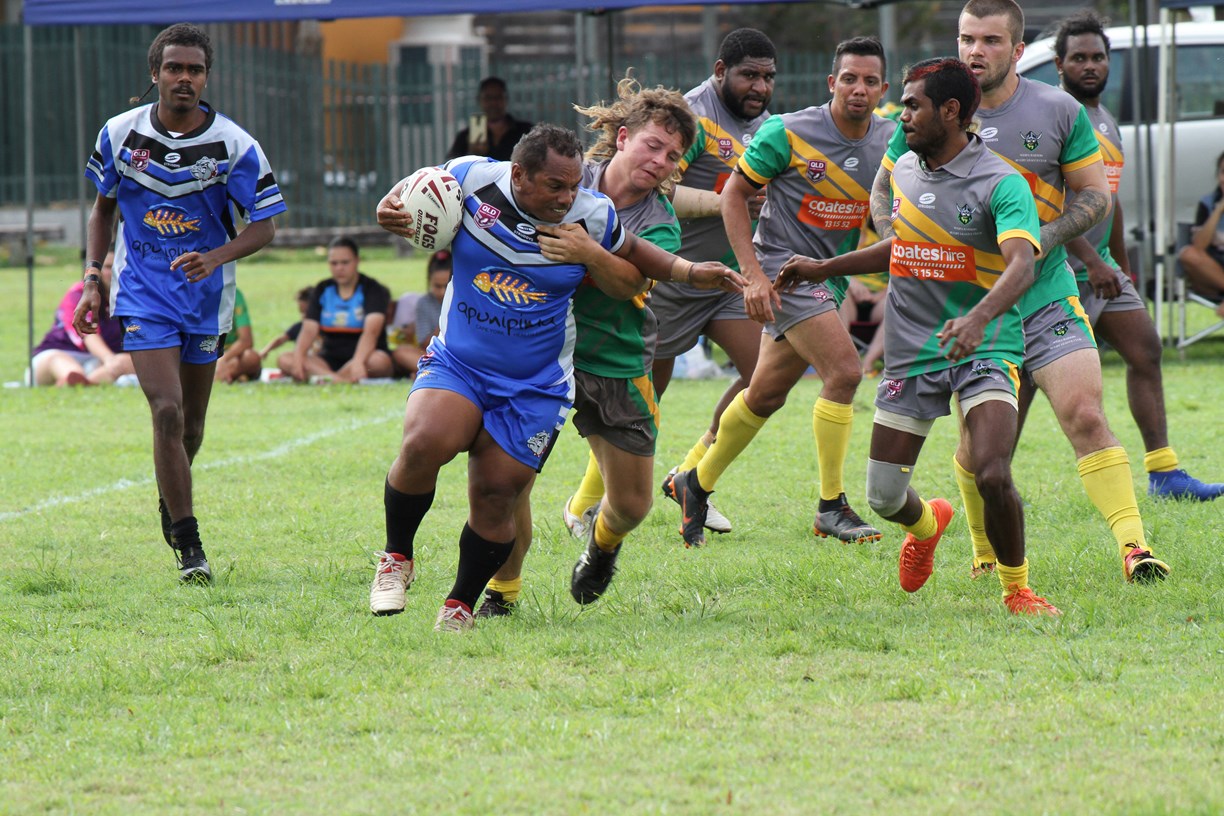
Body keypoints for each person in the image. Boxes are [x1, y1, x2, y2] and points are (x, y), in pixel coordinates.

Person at [369, 124, 742, 632]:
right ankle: (396, 559)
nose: (568, 198)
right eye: (555, 187)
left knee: (499, 491)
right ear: (519, 174)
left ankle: (459, 604)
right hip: (462, 360)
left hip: (537, 382)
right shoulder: (470, 178)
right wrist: (389, 212)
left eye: (572, 188)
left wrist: (692, 272)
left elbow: (635, 259)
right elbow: (407, 197)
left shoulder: (593, 213)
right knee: (424, 441)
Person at [870, 0, 1167, 585]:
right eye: (966, 38)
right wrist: (901, 243)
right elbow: (883, 190)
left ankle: (1135, 547)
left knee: (1083, 413)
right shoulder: (932, 108)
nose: (975, 51)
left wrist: (1036, 240)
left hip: (1044, 293)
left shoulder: (1056, 110)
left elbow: (1092, 196)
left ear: (1018, 48)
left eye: (990, 40)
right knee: (977, 450)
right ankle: (984, 552)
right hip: (962, 307)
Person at [778, 56, 1058, 615]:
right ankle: (927, 526)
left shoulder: (1001, 181)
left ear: (950, 111)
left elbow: (1021, 264)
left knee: (992, 470)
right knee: (883, 495)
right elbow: (903, 245)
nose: (899, 113)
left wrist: (977, 319)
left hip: (987, 344)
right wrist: (822, 267)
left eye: (912, 104)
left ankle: (1017, 590)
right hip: (911, 351)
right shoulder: (905, 168)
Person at [474, 76, 699, 617]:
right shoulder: (568, 178)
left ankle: (602, 544)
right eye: (653, 145)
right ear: (622, 137)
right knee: (510, 483)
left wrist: (586, 252)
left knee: (633, 504)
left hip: (615, 359)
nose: (661, 161)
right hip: (534, 354)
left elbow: (629, 284)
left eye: (673, 156)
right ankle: (502, 594)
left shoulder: (661, 225)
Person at [75, 22, 285, 583]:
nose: (184, 78)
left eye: (194, 69)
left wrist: (216, 257)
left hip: (207, 301)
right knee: (164, 410)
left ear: (206, 77)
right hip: (144, 295)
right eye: (174, 68)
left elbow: (265, 228)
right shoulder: (120, 134)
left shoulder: (235, 146)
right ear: (155, 74)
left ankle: (173, 496)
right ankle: (190, 546)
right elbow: (103, 210)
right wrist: (93, 276)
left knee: (190, 427)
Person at [665, 37, 895, 548]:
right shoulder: (787, 131)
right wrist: (754, 277)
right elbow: (733, 197)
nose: (859, 90)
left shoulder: (892, 140)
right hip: (785, 272)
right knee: (845, 372)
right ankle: (831, 507)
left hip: (826, 275)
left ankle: (693, 482)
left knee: (765, 394)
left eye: (870, 81)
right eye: (850, 79)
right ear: (832, 83)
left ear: (884, 89)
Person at [1051, 11, 1222, 501]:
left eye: (1098, 57)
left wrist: (1119, 263)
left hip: (1105, 270)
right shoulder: (1058, 118)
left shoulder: (1105, 120)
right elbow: (1052, 205)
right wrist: (1094, 261)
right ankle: (985, 476)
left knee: (1145, 349)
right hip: (1063, 269)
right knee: (1025, 385)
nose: (1090, 65)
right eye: (1079, 57)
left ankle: (1164, 473)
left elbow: (1110, 197)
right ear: (1059, 64)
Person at [649, 28, 779, 536]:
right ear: (721, 71)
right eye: (749, 75)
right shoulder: (689, 117)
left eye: (768, 77)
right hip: (673, 274)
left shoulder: (767, 126)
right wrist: (728, 202)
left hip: (728, 281)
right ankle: (587, 503)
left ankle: (691, 476)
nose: (760, 87)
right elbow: (660, 191)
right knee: (643, 398)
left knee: (762, 378)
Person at [277, 237, 394, 384]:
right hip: (327, 360)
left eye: (345, 262)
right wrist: (299, 358)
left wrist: (358, 362)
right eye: (334, 263)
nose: (339, 268)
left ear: (357, 261)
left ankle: (327, 378)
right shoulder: (322, 289)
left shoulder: (372, 289)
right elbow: (309, 329)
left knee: (379, 361)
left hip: (365, 357)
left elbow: (372, 331)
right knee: (285, 359)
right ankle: (340, 380)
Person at [30, 251, 133, 386]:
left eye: (120, 265)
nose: (115, 272)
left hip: (100, 363)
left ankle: (83, 384)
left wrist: (115, 362)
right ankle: (74, 379)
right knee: (59, 361)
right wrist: (109, 359)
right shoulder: (80, 293)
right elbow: (87, 333)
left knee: (128, 361)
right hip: (61, 354)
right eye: (108, 267)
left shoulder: (131, 297)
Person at [390, 250, 452, 378]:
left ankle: (428, 373)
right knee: (401, 352)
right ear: (429, 281)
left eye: (446, 286)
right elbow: (424, 343)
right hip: (435, 354)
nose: (442, 292)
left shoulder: (463, 301)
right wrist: (445, 320)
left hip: (460, 354)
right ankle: (434, 371)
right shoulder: (424, 303)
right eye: (437, 286)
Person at [446, 77, 534, 162]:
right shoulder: (465, 137)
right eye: (488, 98)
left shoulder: (526, 131)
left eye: (498, 97)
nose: (493, 103)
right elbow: (451, 166)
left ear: (506, 100)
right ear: (479, 100)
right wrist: (472, 154)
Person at [1178, 150, 1224, 314]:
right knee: (1188, 254)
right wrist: (1218, 210)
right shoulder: (1208, 203)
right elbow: (1198, 246)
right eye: (1223, 172)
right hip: (1215, 270)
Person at [214, 287, 262, 382]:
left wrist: (223, 360)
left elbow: (246, 340)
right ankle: (226, 375)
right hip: (205, 355)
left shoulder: (234, 294)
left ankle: (216, 375)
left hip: (231, 356)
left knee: (251, 357)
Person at [257, 286, 312, 362]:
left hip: (321, 361)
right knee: (283, 358)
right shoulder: (300, 326)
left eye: (307, 312)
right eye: (301, 312)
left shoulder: (325, 327)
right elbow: (281, 339)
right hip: (304, 361)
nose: (303, 316)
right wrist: (265, 351)